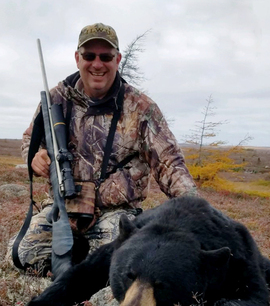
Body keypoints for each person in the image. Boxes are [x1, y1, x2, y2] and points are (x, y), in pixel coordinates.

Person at [7, 23, 197, 275]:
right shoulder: (56, 98)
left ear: (117, 60)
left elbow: (170, 163)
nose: (97, 64)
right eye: (89, 56)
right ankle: (74, 259)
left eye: (106, 57)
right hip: (63, 209)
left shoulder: (141, 107)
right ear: (78, 58)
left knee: (120, 264)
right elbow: (30, 140)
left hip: (114, 214)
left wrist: (198, 212)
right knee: (20, 255)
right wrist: (35, 157)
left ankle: (81, 265)